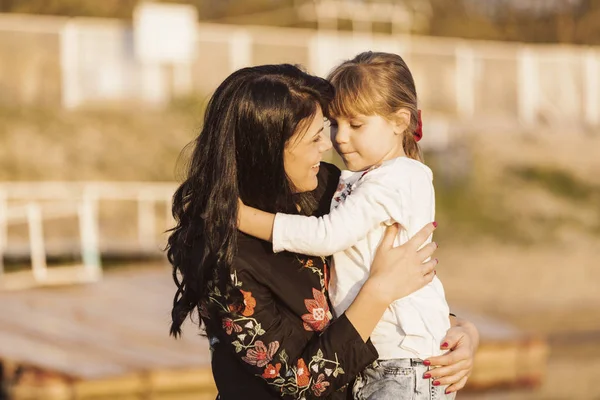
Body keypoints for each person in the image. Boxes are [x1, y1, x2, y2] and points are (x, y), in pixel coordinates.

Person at [167, 63, 478, 400]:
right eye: (315, 137)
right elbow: (296, 381)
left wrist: (457, 330)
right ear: (268, 149)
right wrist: (378, 292)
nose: (330, 144)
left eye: (325, 129)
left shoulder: (329, 187)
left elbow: (392, 269)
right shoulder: (228, 254)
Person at [238, 52, 459, 399]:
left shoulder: (395, 179)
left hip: (401, 361)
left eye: (356, 125)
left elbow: (327, 235)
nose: (339, 139)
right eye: (334, 124)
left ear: (400, 121)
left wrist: (245, 218)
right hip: (379, 358)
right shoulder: (363, 178)